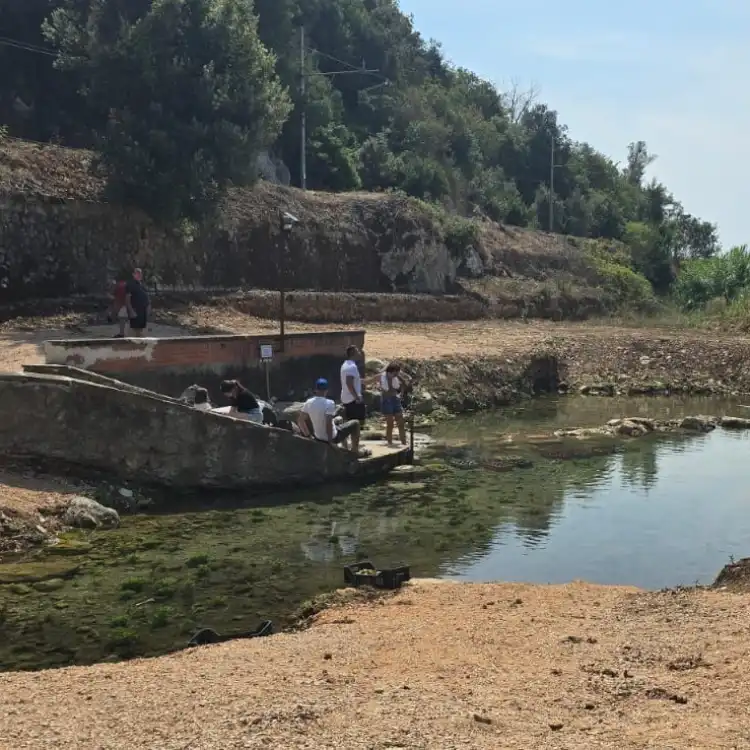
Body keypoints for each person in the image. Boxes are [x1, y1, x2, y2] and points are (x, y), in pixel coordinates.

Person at [297, 378, 360, 453]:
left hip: (318, 437)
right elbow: (328, 423)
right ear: (327, 390)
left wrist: (308, 436)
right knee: (356, 423)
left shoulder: (309, 402)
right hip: (332, 438)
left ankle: (345, 447)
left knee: (339, 419)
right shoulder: (329, 403)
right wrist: (330, 442)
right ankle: (354, 451)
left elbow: (300, 421)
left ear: (316, 390)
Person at [379, 362, 410, 446]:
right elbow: (370, 380)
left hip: (395, 399)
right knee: (390, 423)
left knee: (400, 422)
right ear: (391, 371)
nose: (397, 374)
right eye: (396, 372)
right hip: (386, 400)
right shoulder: (382, 376)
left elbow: (404, 383)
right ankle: (390, 442)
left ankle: (403, 442)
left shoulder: (396, 376)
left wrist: (401, 394)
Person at [340, 345, 366, 426]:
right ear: (353, 353)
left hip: (348, 399)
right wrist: (357, 398)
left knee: (352, 425)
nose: (359, 352)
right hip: (353, 401)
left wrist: (372, 379)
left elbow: (355, 381)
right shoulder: (351, 367)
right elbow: (349, 383)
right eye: (357, 351)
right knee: (357, 425)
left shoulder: (346, 365)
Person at [125, 268, 150, 337]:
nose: (139, 275)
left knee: (142, 330)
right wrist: (131, 311)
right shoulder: (130, 284)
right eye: (137, 273)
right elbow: (127, 299)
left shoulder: (142, 285)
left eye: (140, 273)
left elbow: (146, 298)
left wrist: (148, 309)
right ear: (133, 274)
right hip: (135, 311)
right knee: (134, 331)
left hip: (143, 311)